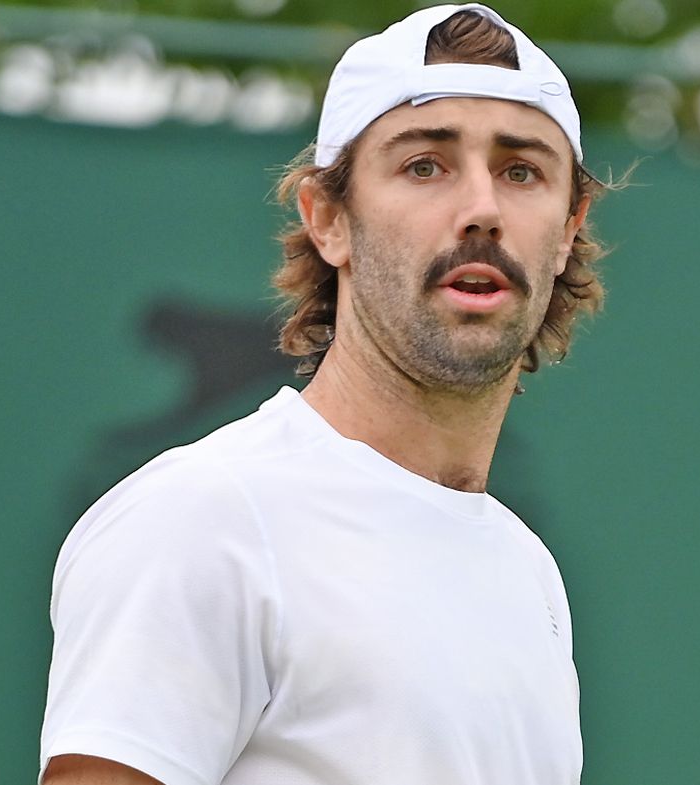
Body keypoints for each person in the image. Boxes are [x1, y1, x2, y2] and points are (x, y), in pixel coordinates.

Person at [39, 5, 610, 784]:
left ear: (569, 226)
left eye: (521, 171)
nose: (482, 207)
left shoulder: (531, 575)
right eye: (425, 165)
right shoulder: (202, 520)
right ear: (329, 220)